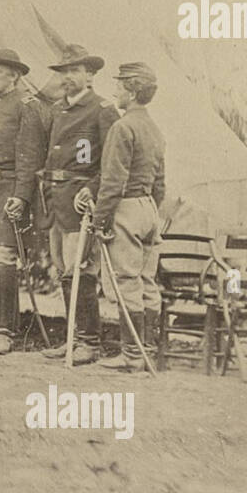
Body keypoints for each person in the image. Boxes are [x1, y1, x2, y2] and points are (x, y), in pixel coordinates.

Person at [38, 44, 121, 365]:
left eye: (74, 70)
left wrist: (93, 188)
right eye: (64, 72)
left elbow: (112, 163)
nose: (68, 77)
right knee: (63, 271)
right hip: (56, 200)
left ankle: (90, 341)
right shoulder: (58, 110)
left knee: (81, 270)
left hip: (79, 200)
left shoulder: (103, 110)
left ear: (90, 74)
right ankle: (73, 337)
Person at [0, 48, 48, 356]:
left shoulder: (26, 107)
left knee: (4, 258)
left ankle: (5, 333)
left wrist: (21, 196)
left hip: (9, 189)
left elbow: (30, 157)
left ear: (15, 76)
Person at [93, 62, 166, 372]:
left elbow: (112, 180)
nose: (116, 90)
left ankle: (132, 355)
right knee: (147, 282)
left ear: (134, 91)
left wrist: (101, 220)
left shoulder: (122, 127)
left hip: (125, 208)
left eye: (121, 85)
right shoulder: (153, 128)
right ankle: (148, 352)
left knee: (125, 282)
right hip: (149, 208)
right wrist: (149, 208)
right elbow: (160, 182)